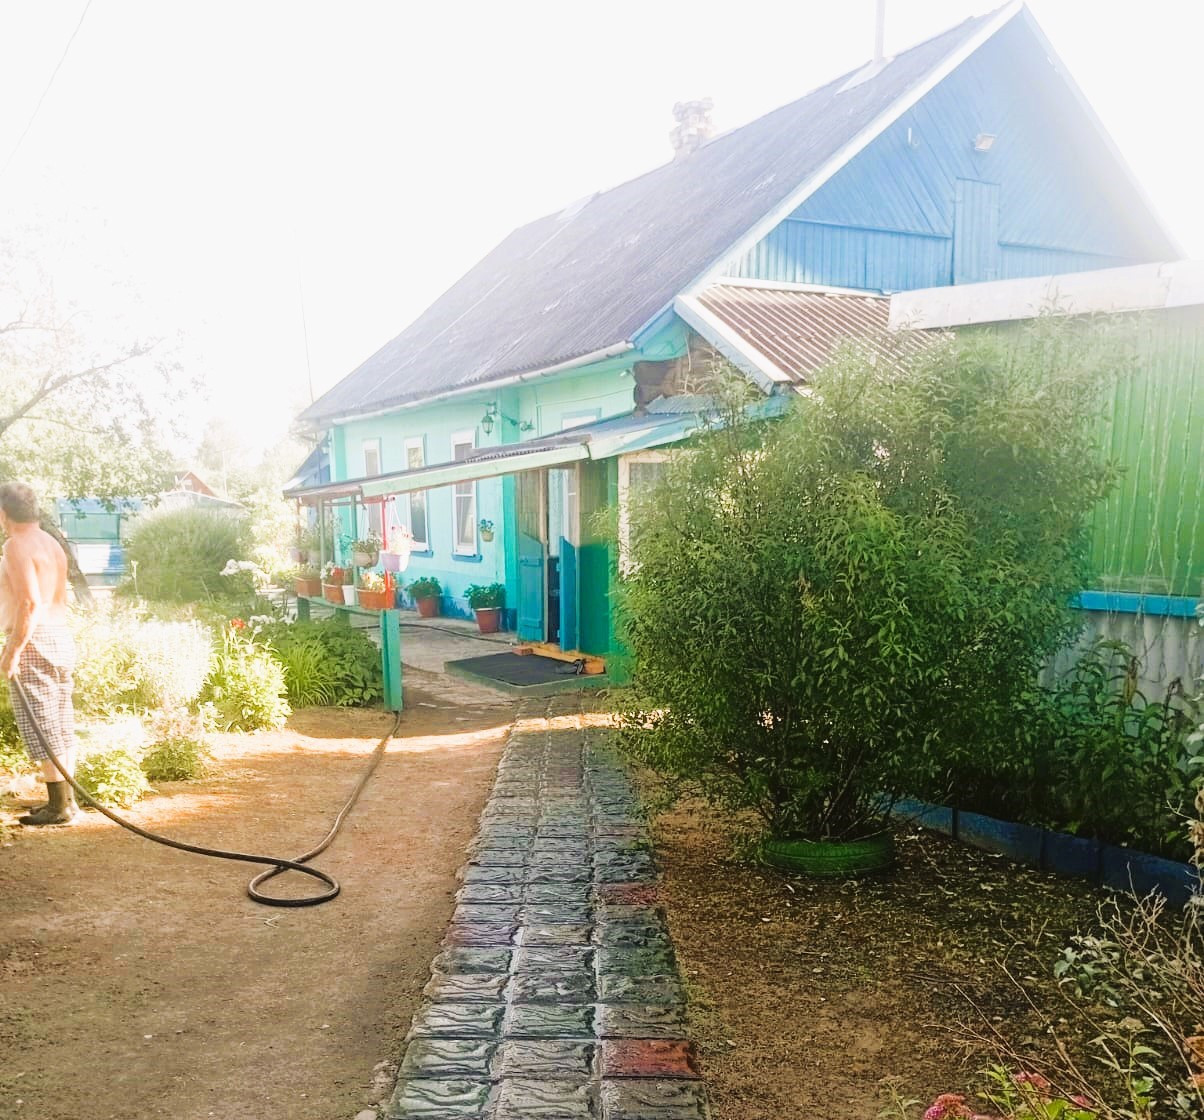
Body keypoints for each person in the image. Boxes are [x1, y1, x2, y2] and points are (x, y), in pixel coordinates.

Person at [0, 481, 78, 825]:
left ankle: (59, 808)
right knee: (60, 722)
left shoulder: (17, 545)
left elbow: (30, 603)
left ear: (3, 513)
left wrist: (12, 651)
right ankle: (67, 802)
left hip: (35, 638)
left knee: (42, 724)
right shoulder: (50, 542)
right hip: (60, 635)